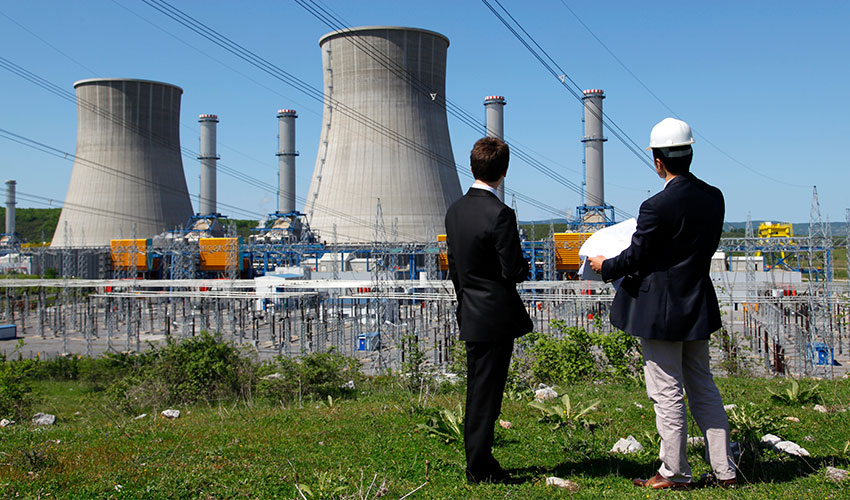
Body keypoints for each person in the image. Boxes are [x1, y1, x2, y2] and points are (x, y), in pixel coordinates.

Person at [589, 118, 737, 490]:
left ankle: (675, 472)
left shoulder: (656, 205)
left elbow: (637, 256)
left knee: (666, 391)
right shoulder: (714, 197)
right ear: (689, 152)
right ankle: (726, 470)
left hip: (660, 311)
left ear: (658, 160)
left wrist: (605, 265)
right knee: (703, 385)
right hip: (697, 304)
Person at [445, 136, 533, 484]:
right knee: (487, 391)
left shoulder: (455, 210)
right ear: (504, 171)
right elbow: (513, 270)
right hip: (495, 315)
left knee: (479, 388)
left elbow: (453, 266)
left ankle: (481, 459)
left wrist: (465, 300)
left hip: (471, 310)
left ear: (471, 166)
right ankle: (479, 467)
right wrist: (522, 267)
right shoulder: (500, 214)